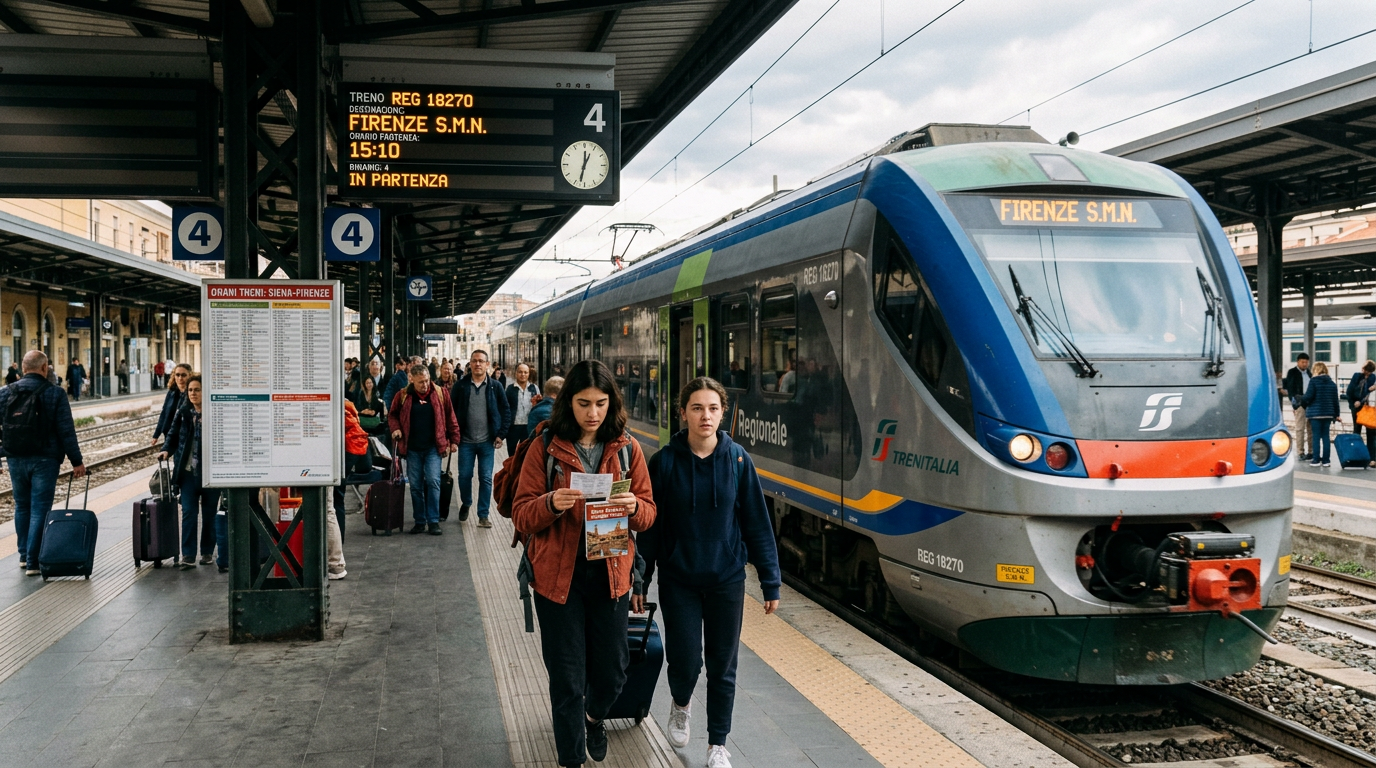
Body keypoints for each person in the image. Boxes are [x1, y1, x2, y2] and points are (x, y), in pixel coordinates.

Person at [512, 360, 656, 768]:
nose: (593, 413)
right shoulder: (546, 447)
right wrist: (549, 504)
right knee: (567, 680)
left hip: (610, 574)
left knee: (612, 672)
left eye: (601, 403)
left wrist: (634, 508)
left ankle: (594, 717)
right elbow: (522, 514)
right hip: (558, 579)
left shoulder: (627, 448)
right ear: (567, 403)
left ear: (612, 403)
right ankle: (570, 760)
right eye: (583, 403)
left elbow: (648, 513)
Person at [639, 378, 780, 768]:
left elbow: (757, 523)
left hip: (727, 579)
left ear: (724, 412)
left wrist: (770, 580)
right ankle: (681, 702)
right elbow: (649, 527)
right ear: (682, 412)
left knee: (723, 664)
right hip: (679, 579)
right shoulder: (664, 462)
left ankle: (718, 743)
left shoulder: (738, 461)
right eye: (697, 408)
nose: (706, 415)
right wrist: (639, 579)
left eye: (713, 408)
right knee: (685, 660)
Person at [0, 352, 86, 576]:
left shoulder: (5, 392)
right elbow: (66, 431)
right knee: (39, 508)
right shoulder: (55, 393)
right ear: (44, 367)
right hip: (45, 460)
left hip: (16, 458)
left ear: (22, 368)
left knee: (22, 506)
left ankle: (23, 555)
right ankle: (33, 561)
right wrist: (76, 461)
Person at [388, 363, 460, 535]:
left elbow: (451, 417)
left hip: (433, 448)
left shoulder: (441, 394)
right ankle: (419, 520)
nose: (425, 385)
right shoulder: (403, 395)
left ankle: (433, 520)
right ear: (412, 380)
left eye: (427, 381)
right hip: (412, 448)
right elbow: (393, 415)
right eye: (420, 382)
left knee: (434, 481)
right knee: (415, 485)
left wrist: (454, 439)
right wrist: (395, 428)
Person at [158, 375, 219, 568]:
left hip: (210, 473)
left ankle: (208, 552)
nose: (193, 393)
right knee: (189, 513)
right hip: (187, 473)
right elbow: (172, 434)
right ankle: (189, 555)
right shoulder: (183, 412)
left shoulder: (215, 412)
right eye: (190, 390)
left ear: (205, 391)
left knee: (209, 514)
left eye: (197, 390)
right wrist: (166, 450)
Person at [451, 349, 509, 528]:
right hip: (466, 442)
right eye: (474, 361)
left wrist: (501, 434)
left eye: (481, 361)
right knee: (464, 476)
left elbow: (506, 411)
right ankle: (467, 502)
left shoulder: (495, 386)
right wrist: (453, 437)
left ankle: (483, 514)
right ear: (470, 363)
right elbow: (451, 413)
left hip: (487, 442)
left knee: (485, 478)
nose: (477, 364)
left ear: (487, 364)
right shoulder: (461, 386)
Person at [1301, 361, 1341, 467]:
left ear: (1316, 370)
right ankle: (1326, 461)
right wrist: (1337, 414)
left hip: (1315, 414)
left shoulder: (1314, 381)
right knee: (1326, 437)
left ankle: (1316, 460)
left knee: (1316, 437)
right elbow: (1335, 401)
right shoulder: (1332, 383)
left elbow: (1308, 396)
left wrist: (1301, 399)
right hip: (1328, 414)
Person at [152, 364, 191, 447]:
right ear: (174, 376)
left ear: (189, 376)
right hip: (170, 433)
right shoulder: (171, 392)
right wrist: (156, 434)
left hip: (185, 434)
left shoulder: (192, 394)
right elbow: (164, 413)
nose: (180, 378)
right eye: (177, 375)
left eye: (183, 375)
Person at [1284, 354, 1313, 460]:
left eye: (1306, 362)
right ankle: (1300, 451)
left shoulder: (1310, 373)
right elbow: (1290, 390)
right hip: (1300, 404)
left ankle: (1311, 451)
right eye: (1302, 362)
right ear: (1297, 362)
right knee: (1300, 428)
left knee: (1311, 428)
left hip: (1310, 403)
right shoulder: (1292, 372)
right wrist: (1294, 404)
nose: (1305, 364)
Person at [506, 363, 541, 445]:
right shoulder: (510, 389)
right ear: (516, 373)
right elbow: (505, 408)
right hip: (513, 427)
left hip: (529, 426)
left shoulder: (534, 388)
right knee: (512, 454)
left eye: (525, 372)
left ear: (529, 374)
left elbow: (539, 405)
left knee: (526, 452)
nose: (523, 374)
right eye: (520, 372)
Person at [1348, 361, 1376, 435]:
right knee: (1357, 428)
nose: (1367, 374)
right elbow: (1349, 391)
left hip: (1366, 405)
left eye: (1369, 372)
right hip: (1356, 404)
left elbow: (1368, 392)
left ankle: (1368, 446)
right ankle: (1357, 445)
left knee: (1369, 429)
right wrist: (1352, 404)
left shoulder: (1372, 377)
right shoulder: (1357, 376)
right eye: (1367, 372)